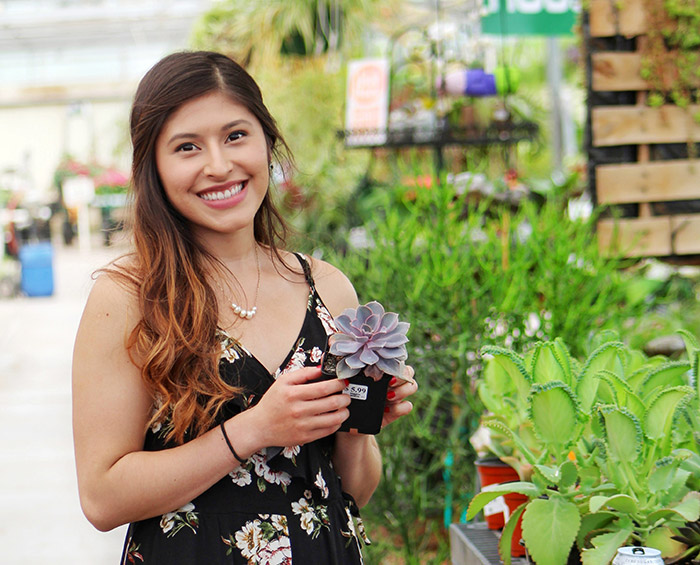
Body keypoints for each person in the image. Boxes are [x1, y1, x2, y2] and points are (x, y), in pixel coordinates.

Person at [72, 50, 418, 564]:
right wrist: (255, 429)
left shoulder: (327, 288)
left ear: (267, 143)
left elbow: (354, 491)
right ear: (155, 168)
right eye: (187, 146)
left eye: (236, 136)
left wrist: (358, 422)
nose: (219, 165)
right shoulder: (128, 297)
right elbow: (102, 497)